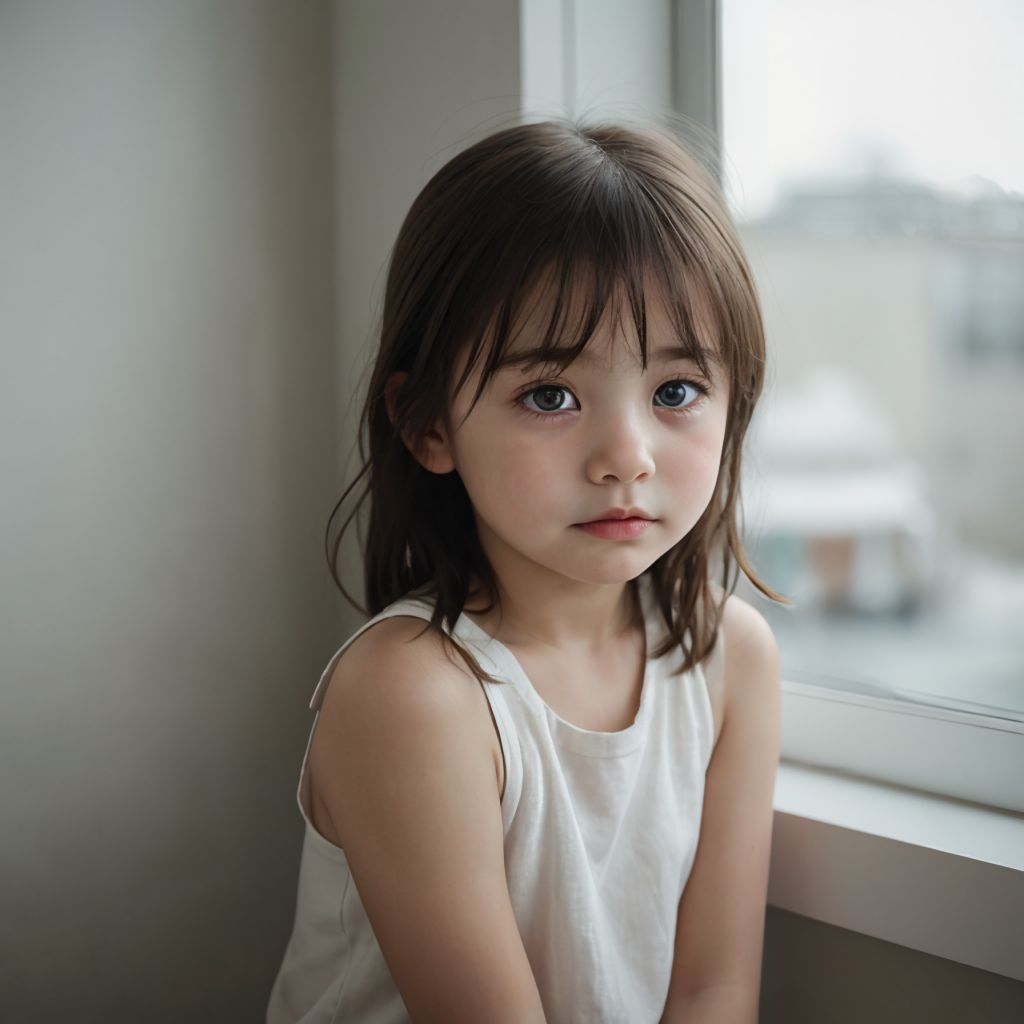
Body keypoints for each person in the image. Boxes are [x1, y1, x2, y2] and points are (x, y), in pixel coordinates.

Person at [267, 120, 781, 1024]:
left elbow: (713, 989)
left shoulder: (730, 656)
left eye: (675, 392)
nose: (627, 457)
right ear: (427, 422)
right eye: (550, 395)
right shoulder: (415, 694)